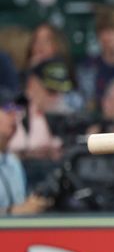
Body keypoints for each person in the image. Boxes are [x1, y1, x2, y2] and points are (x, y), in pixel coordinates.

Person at [8, 58, 74, 160]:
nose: (57, 98)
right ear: (32, 84)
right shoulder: (12, 112)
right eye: (51, 91)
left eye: (61, 92)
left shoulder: (67, 116)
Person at [0, 87, 50, 215]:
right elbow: (17, 210)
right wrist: (12, 212)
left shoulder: (13, 162)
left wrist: (32, 205)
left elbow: (21, 206)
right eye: (7, 109)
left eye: (17, 110)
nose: (15, 116)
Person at [76, 6, 114, 112]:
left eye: (113, 30)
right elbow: (85, 104)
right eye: (103, 31)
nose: (108, 37)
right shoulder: (88, 68)